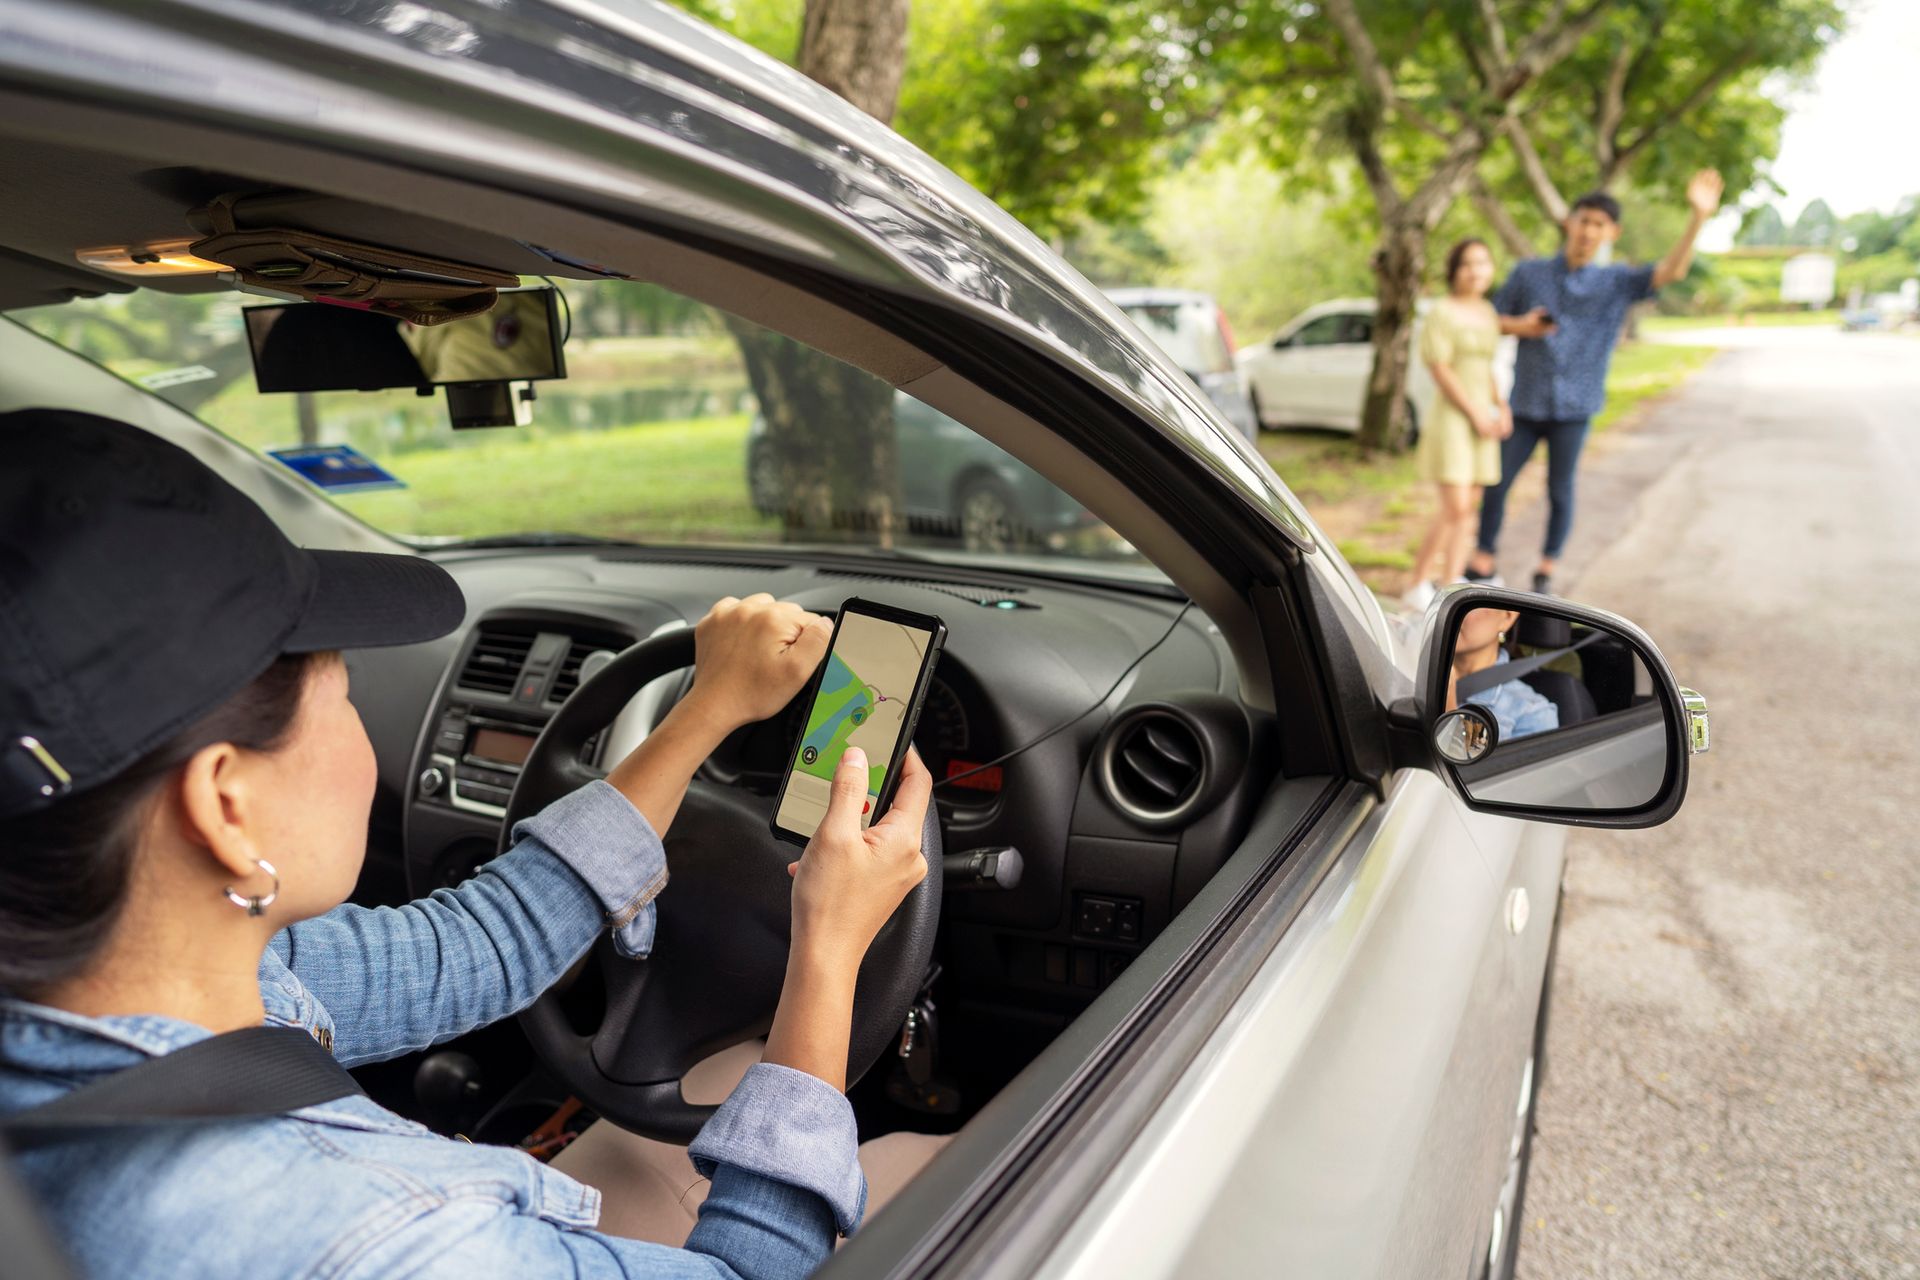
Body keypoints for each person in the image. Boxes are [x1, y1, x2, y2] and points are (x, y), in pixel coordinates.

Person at [0, 408, 926, 1279]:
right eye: (343, 691)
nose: (357, 727)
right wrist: (829, 951)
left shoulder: (181, 974)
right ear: (225, 809)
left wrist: (707, 711)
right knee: (937, 1157)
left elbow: (476, 947)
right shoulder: (385, 1234)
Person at [1469, 170, 1724, 595]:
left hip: (1577, 406)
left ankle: (1546, 570)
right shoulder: (1529, 273)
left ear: (1612, 232)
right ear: (1569, 222)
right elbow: (1489, 321)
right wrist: (1522, 326)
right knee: (1497, 481)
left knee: (1560, 489)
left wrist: (1698, 217)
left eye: (1599, 225)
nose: (1588, 231)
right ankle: (1482, 560)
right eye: (1583, 220)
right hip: (1527, 402)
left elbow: (1671, 271)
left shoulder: (1617, 281)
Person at [1403, 238, 1511, 611]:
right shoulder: (1442, 312)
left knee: (1472, 504)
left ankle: (1450, 583)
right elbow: (1441, 369)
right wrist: (1475, 413)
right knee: (1454, 505)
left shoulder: (1487, 311)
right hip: (1454, 415)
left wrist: (1501, 407)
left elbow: (1488, 367)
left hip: (1484, 415)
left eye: (1482, 262)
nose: (1475, 270)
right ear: (1454, 270)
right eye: (1467, 263)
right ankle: (1416, 582)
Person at [1449, 606, 1559, 742]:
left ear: (1507, 617)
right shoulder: (1417, 672)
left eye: (1469, 604)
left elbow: (1477, 762)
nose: (1451, 612)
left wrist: (1449, 709)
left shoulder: (1533, 711)